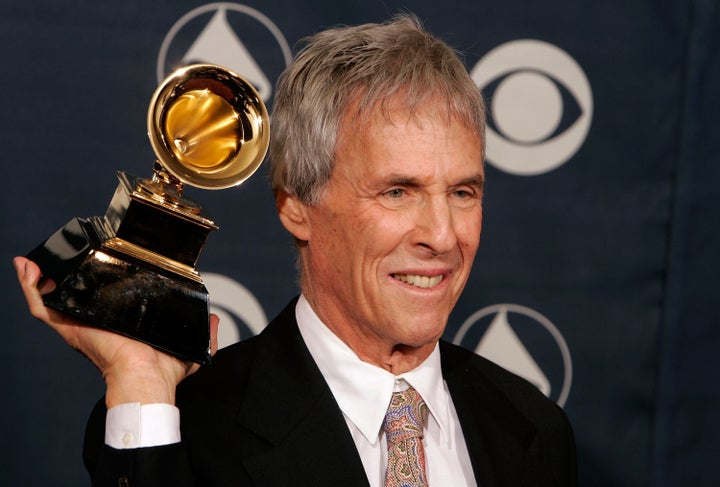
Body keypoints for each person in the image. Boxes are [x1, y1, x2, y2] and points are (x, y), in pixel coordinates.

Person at [15, 14, 577, 487]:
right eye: (397, 191)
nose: (443, 235)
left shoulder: (532, 429)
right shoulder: (181, 427)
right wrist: (140, 379)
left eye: (462, 192)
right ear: (296, 207)